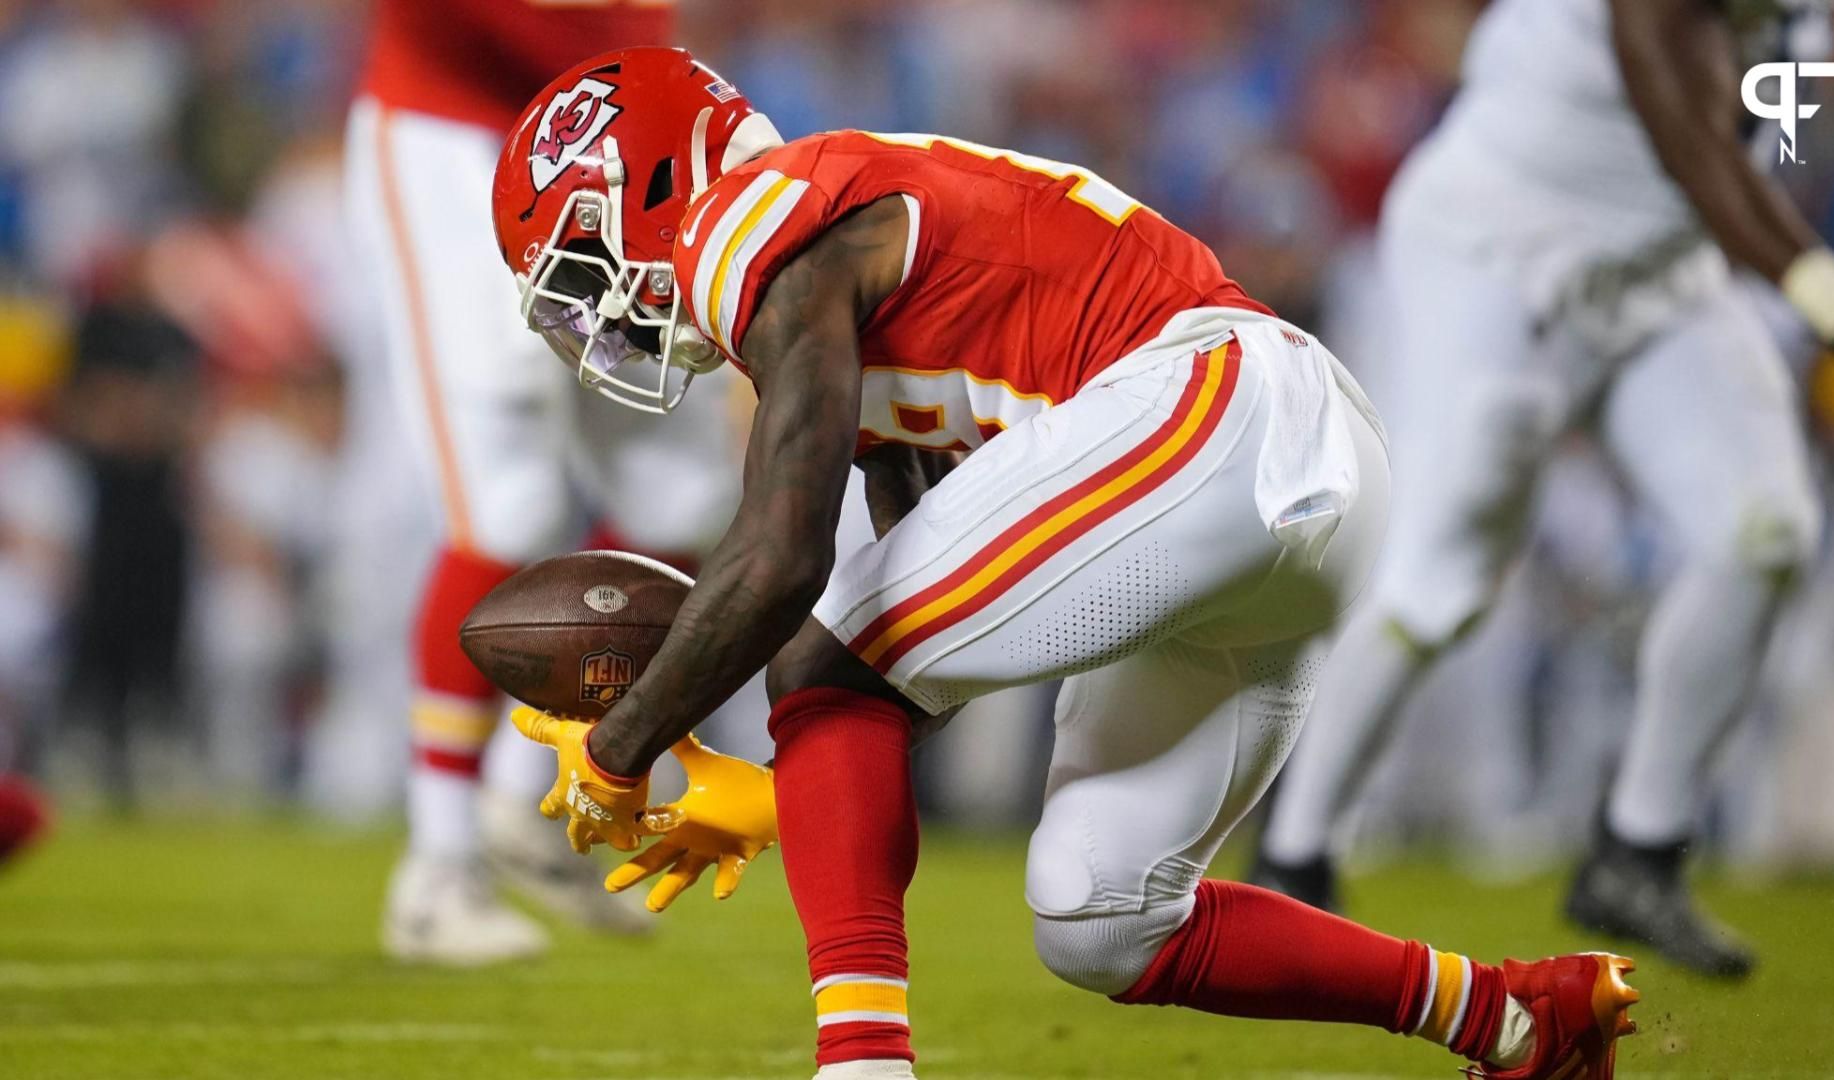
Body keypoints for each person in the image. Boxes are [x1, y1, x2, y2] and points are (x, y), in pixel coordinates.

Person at [498, 47, 1640, 1080]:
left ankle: (861, 1067)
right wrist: (793, 784)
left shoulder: (752, 216)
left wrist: (621, 747)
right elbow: (919, 634)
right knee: (1103, 913)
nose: (601, 314)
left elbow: (788, 560)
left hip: (1207, 413)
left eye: (584, 261)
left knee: (828, 658)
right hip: (1303, 467)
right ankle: (1518, 1021)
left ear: (645, 183)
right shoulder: (850, 251)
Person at [1250, 0, 1834, 979]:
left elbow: (1743, 146)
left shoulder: (1801, 22)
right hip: (1497, 263)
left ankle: (1639, 850)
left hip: (1660, 283)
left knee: (1764, 533)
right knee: (1441, 579)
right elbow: (1695, 150)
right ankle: (1293, 860)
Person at [342, 0, 752, 965]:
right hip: (458, 135)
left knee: (681, 495)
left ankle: (533, 794)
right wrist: (637, 67)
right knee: (505, 508)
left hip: (609, 138)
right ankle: (437, 865)